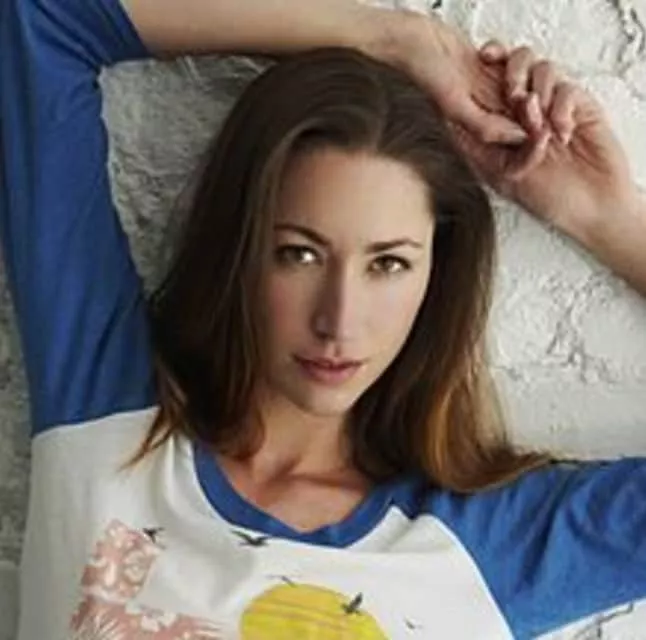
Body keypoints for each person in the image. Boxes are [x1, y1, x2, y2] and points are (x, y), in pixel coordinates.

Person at [1, 0, 645, 639]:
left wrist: (602, 215)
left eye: (388, 264)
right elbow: (37, 20)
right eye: (299, 254)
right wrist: (394, 39)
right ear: (239, 247)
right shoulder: (105, 413)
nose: (339, 320)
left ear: (437, 274)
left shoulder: (489, 546)